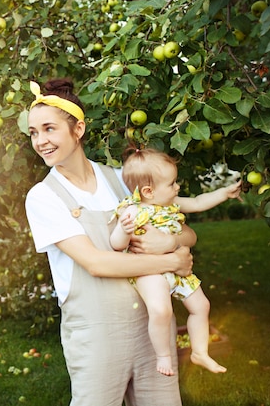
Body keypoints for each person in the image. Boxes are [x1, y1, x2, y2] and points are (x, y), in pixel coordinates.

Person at [25, 79, 195, 406]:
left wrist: (175, 241)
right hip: (96, 336)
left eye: (49, 129)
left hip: (152, 329)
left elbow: (186, 232)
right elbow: (97, 263)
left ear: (78, 129)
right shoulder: (43, 197)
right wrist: (172, 261)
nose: (40, 141)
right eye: (33, 133)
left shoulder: (120, 179)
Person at [110, 147, 241, 376]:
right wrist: (123, 229)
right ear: (149, 191)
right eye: (172, 184)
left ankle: (200, 352)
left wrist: (224, 193)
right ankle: (164, 355)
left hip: (178, 269)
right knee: (161, 311)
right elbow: (116, 244)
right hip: (150, 273)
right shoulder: (131, 211)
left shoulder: (170, 204)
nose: (177, 187)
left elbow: (199, 202)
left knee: (202, 306)